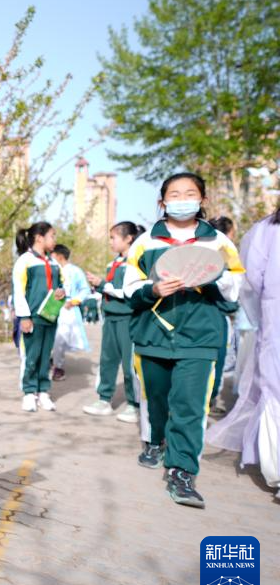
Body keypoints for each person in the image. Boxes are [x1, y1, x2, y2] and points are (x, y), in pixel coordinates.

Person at [123, 172, 244, 508]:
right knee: (157, 399)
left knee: (190, 406)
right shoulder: (146, 241)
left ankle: (182, 472)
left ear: (202, 199)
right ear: (162, 201)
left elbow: (236, 284)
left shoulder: (218, 242)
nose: (182, 200)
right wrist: (153, 289)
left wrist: (210, 279)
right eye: (174, 195)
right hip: (153, 334)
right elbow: (130, 287)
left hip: (200, 337)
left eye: (190, 193)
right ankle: (156, 440)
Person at [207, 207, 280, 499]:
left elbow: (252, 283)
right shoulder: (266, 230)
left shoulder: (265, 231)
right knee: (274, 390)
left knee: (275, 390)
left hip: (274, 319)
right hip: (274, 321)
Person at [82, 221, 146, 423]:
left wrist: (103, 284)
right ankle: (104, 399)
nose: (110, 242)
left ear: (128, 239)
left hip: (128, 318)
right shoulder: (113, 263)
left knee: (129, 364)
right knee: (107, 360)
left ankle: (134, 404)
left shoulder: (136, 262)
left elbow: (129, 292)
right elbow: (110, 289)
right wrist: (99, 285)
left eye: (113, 238)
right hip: (110, 318)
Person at [12, 222, 66, 412]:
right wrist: (24, 317)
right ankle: (29, 392)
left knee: (46, 356)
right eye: (52, 235)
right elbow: (19, 291)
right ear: (39, 238)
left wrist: (61, 292)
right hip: (33, 317)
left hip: (50, 316)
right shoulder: (25, 261)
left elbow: (62, 284)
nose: (55, 240)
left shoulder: (54, 263)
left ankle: (43, 391)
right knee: (31, 356)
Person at [208, 215, 238, 415]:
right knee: (216, 361)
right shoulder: (224, 258)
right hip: (217, 316)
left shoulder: (199, 254)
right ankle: (210, 400)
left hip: (200, 315)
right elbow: (231, 296)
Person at [50, 244, 91, 381]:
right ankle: (51, 360)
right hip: (50, 306)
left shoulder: (75, 271)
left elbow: (85, 289)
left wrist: (74, 301)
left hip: (66, 309)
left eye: (53, 255)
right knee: (49, 336)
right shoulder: (51, 269)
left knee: (60, 338)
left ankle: (58, 367)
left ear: (60, 256)